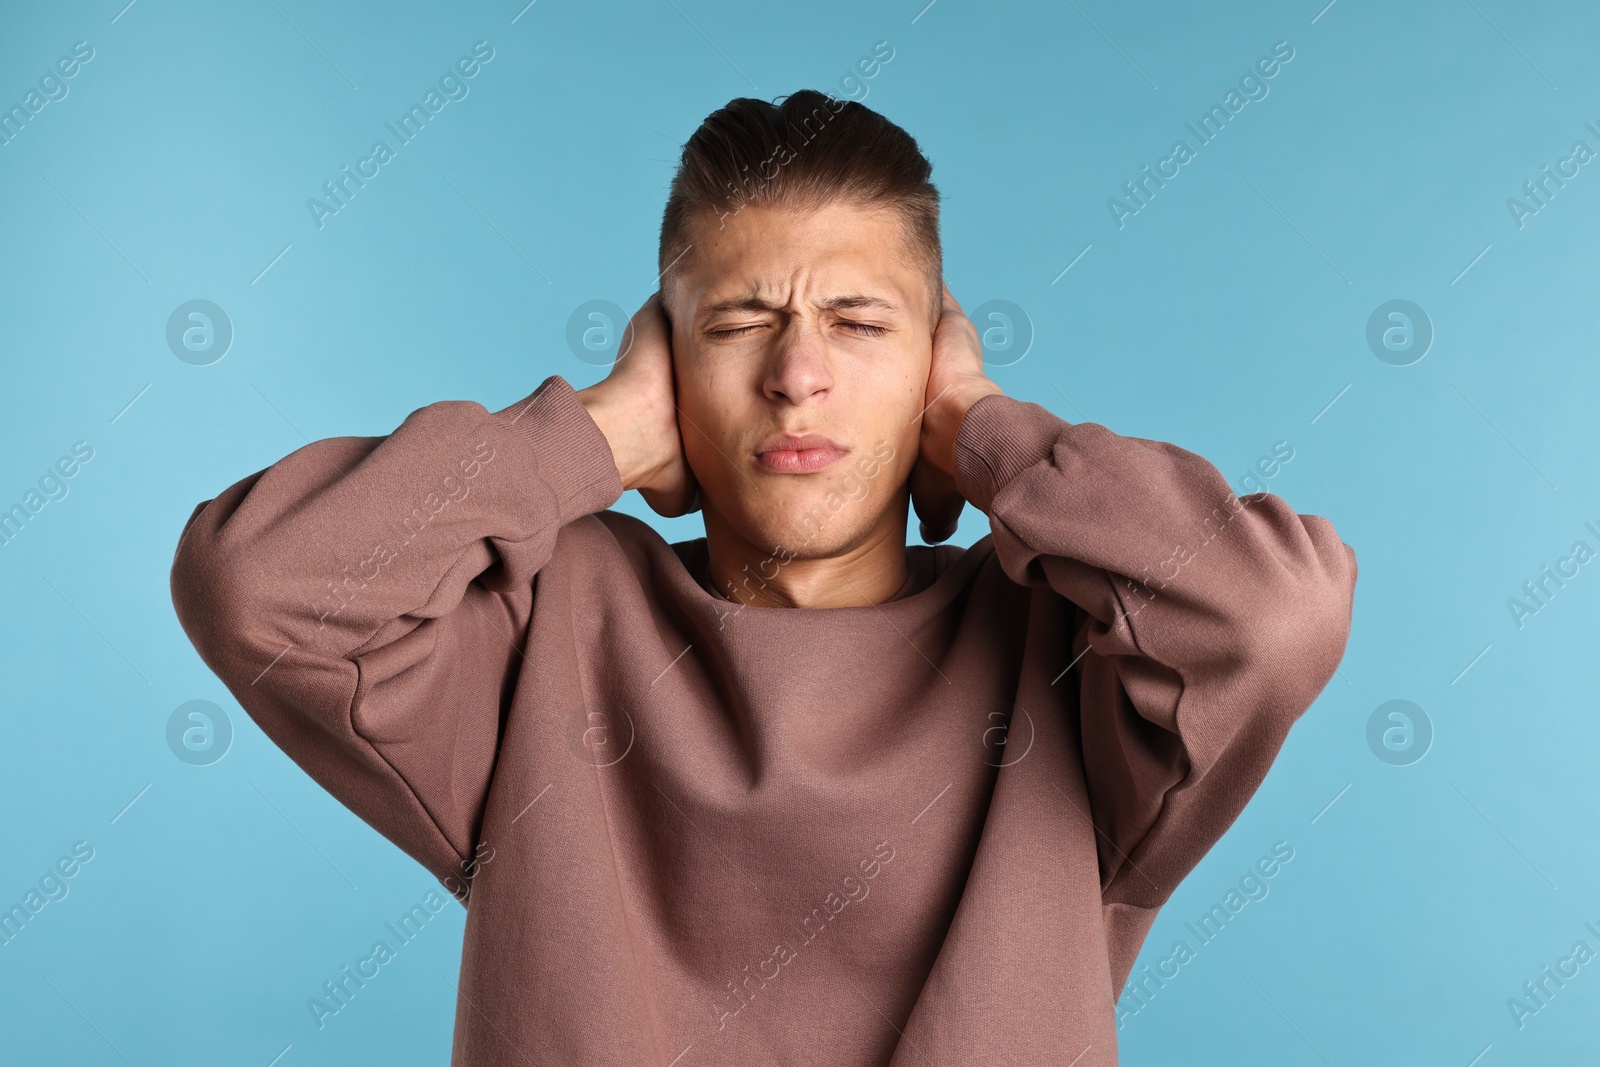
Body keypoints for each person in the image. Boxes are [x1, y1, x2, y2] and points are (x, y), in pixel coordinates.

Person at [169, 89, 1357, 1065]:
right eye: (738, 321)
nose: (797, 372)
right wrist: (593, 432)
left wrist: (986, 431)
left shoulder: (1076, 650)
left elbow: (1267, 616)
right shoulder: (540, 628)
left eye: (858, 322)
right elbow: (257, 586)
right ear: (664, 358)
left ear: (935, 360)